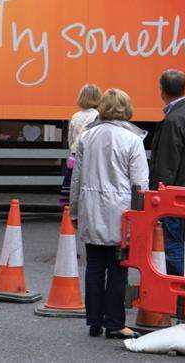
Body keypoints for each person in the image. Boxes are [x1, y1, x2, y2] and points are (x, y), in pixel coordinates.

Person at [69, 88, 148, 340]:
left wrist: (74, 210)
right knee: (117, 269)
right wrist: (141, 217)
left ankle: (94, 321)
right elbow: (140, 185)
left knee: (94, 267)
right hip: (121, 214)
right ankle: (115, 322)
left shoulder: (87, 137)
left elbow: (77, 179)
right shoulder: (133, 140)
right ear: (126, 109)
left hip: (91, 208)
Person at [149, 69, 185, 276]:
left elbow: (166, 164)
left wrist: (158, 197)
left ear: (162, 90)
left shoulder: (174, 120)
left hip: (175, 197)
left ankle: (181, 297)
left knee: (172, 248)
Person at [59, 84, 101, 209]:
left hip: (74, 155)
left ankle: (71, 208)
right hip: (90, 157)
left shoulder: (75, 116)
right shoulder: (98, 116)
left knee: (74, 184)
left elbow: (70, 139)